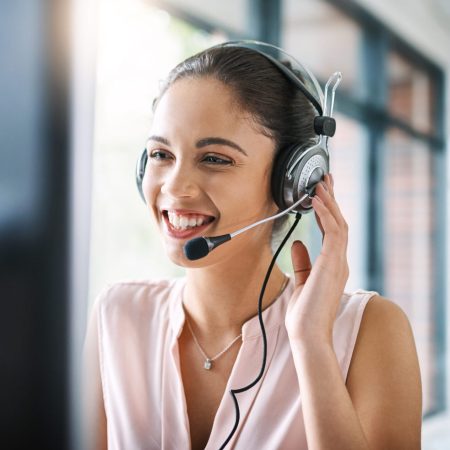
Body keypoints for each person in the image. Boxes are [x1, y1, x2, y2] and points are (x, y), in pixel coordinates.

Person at [82, 42, 422, 450]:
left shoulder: (370, 330)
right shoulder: (118, 316)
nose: (174, 187)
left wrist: (311, 343)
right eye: (160, 154)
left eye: (215, 159)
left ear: (295, 180)